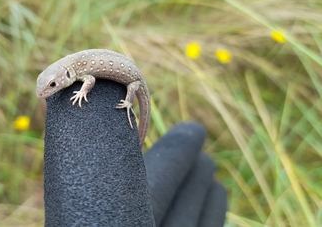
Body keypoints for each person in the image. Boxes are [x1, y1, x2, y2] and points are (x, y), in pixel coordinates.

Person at [42, 80, 227, 226]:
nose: (46, 92)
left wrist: (85, 92)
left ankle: (129, 105)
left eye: (52, 85)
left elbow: (91, 80)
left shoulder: (83, 75)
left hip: (133, 83)